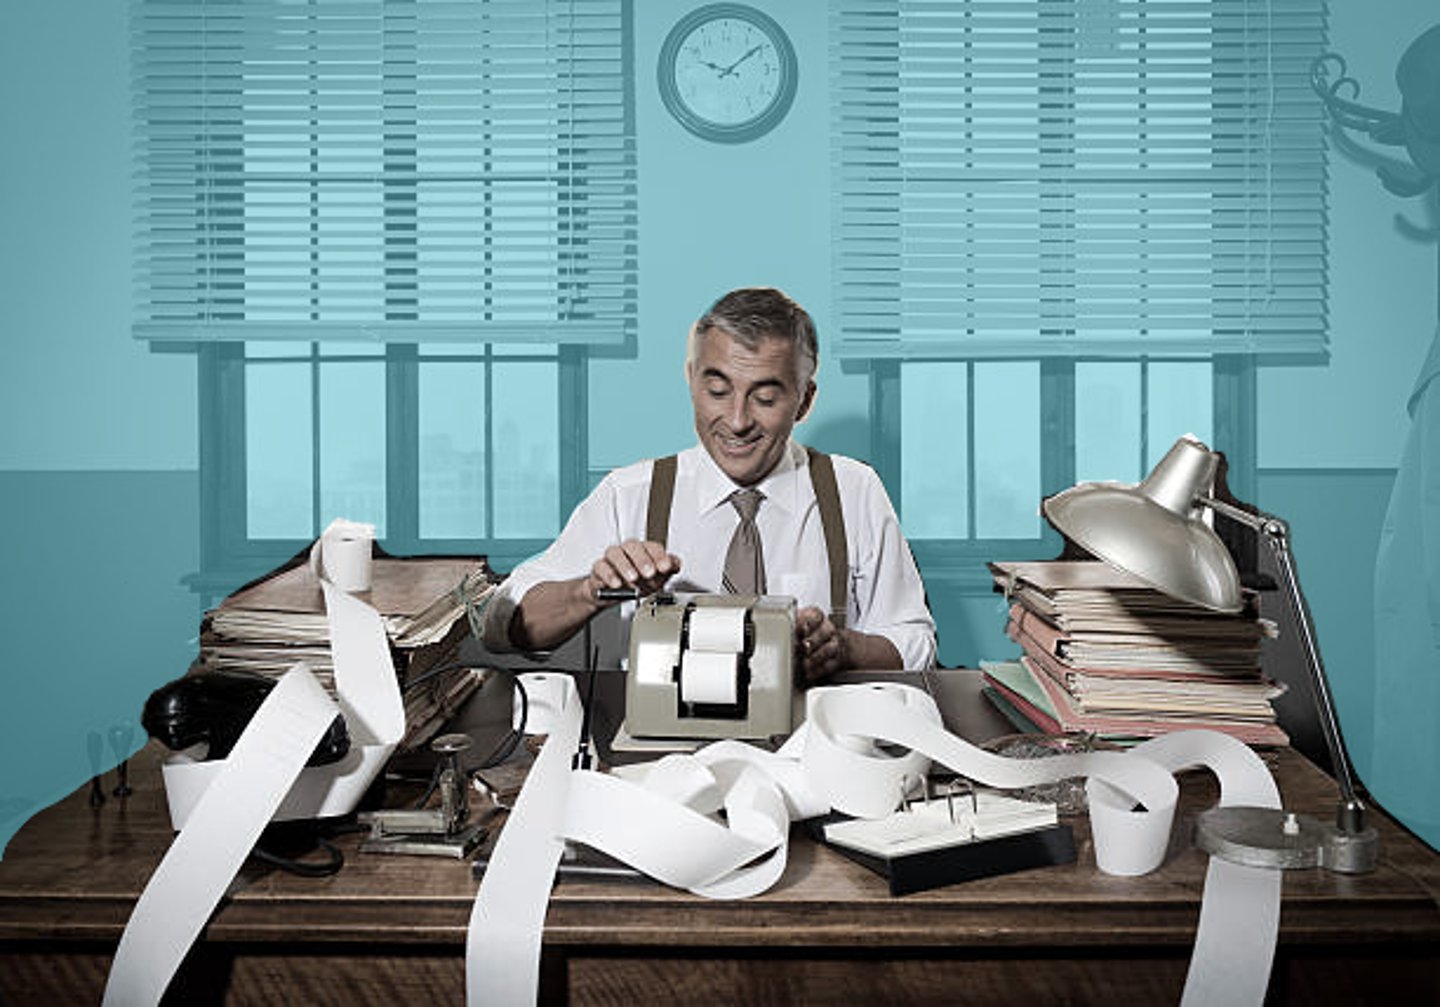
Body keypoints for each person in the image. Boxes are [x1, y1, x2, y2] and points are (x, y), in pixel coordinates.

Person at [483, 287, 936, 680]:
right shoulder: (629, 494)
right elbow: (504, 626)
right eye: (717, 391)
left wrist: (843, 648)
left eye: (765, 397)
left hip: (813, 750)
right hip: (662, 762)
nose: (737, 421)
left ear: (804, 400)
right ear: (691, 379)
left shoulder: (853, 490)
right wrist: (588, 590)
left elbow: (916, 642)